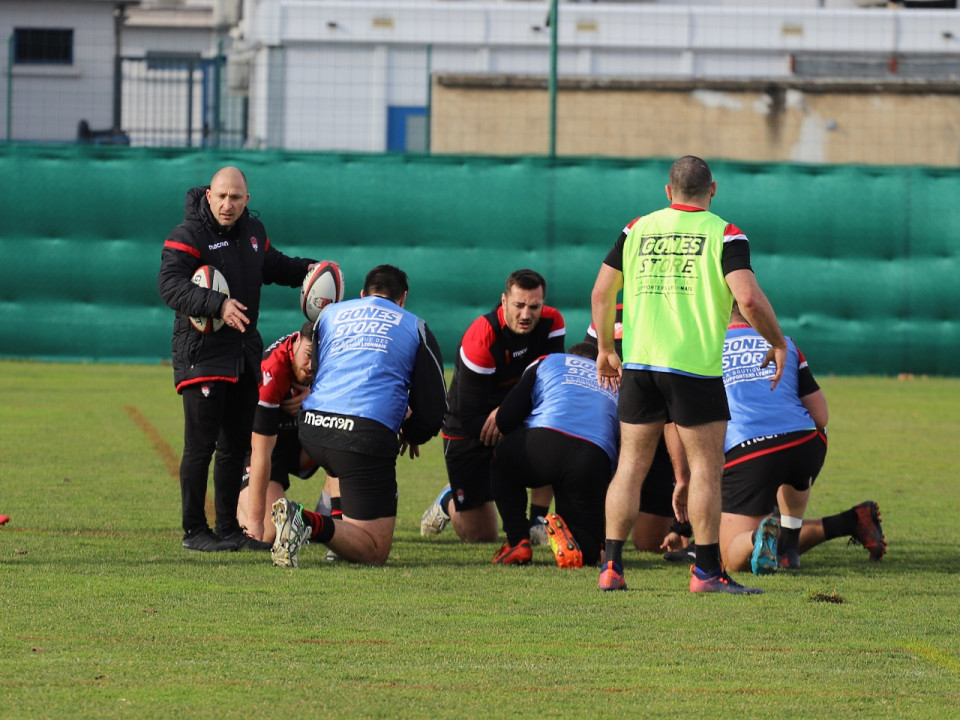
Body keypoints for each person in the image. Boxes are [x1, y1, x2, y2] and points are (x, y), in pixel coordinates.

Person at [591, 154, 788, 594]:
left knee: (630, 466)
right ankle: (706, 572)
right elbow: (750, 301)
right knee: (705, 469)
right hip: (693, 369)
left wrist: (606, 348)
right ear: (713, 190)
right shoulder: (725, 233)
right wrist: (776, 342)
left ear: (668, 191)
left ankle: (610, 566)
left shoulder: (636, 228)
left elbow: (602, 291)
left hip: (640, 364)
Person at [158, 166, 316, 552]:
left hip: (243, 356)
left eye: (236, 197)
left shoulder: (253, 235)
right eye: (221, 196)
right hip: (202, 356)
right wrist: (218, 304)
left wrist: (313, 270)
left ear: (247, 200)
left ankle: (229, 529)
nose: (228, 204)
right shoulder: (188, 235)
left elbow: (275, 266)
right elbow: (170, 285)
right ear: (208, 196)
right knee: (201, 446)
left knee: (235, 447)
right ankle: (195, 531)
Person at [269, 265, 447, 567]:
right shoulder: (415, 325)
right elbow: (435, 408)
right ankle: (308, 521)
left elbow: (318, 371)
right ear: (403, 298)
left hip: (312, 429)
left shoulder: (330, 315)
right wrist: (412, 432)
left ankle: (335, 538)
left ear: (363, 294)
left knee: (340, 461)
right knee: (375, 550)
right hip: (361, 438)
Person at [718, 303, 886, 574]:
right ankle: (800, 541)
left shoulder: (703, 348)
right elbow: (820, 416)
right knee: (809, 433)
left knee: (729, 557)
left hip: (748, 452)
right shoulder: (784, 343)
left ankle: (759, 535)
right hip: (805, 445)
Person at [420, 269, 565, 543]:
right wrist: (511, 416)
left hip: (515, 414)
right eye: (519, 305)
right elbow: (472, 418)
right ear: (504, 301)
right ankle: (449, 499)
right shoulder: (482, 336)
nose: (526, 314)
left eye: (534, 306)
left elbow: (554, 387)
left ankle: (537, 521)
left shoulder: (552, 322)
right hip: (468, 428)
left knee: (554, 428)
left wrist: (511, 412)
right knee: (482, 535)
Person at [490, 342, 618, 568]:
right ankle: (590, 547)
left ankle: (517, 541)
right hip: (593, 455)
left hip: (545, 442)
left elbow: (506, 418)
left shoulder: (548, 360)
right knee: (585, 554)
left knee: (502, 458)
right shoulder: (618, 379)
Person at [584, 305, 692, 559]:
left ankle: (694, 537)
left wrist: (680, 527)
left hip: (665, 425)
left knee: (649, 542)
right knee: (626, 467)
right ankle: (606, 553)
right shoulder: (612, 312)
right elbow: (587, 362)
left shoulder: (683, 309)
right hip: (621, 420)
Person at [236, 321, 341, 547]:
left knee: (344, 443)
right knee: (269, 532)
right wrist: (255, 524)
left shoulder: (331, 363)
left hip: (299, 446)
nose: (312, 365)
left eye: (318, 358)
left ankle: (332, 519)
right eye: (307, 354)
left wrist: (315, 398)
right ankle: (239, 503)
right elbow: (260, 452)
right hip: (261, 452)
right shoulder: (272, 370)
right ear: (296, 342)